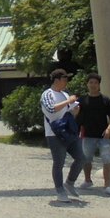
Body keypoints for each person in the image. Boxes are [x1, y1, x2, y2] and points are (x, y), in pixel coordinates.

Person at [41, 68, 85, 203]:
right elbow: (51, 109)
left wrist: (75, 108)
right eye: (64, 79)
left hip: (69, 131)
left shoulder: (65, 94)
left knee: (81, 158)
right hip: (54, 133)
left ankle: (69, 183)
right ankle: (60, 190)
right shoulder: (47, 94)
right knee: (59, 163)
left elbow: (72, 112)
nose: (66, 81)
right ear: (57, 80)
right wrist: (68, 102)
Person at [77, 72, 110, 196]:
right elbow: (77, 116)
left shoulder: (105, 99)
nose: (93, 85)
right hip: (88, 134)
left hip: (103, 135)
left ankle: (107, 185)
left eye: (95, 83)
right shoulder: (82, 100)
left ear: (99, 85)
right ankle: (87, 180)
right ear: (87, 84)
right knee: (86, 159)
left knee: (107, 159)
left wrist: (109, 128)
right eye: (91, 82)